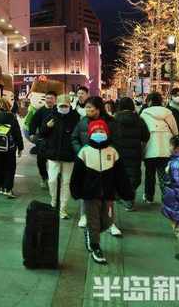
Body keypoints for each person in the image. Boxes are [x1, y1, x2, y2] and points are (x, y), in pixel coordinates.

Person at [70, 119, 133, 265]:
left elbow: (121, 175)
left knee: (107, 221)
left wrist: (126, 192)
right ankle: (95, 246)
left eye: (102, 131)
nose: (99, 133)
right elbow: (77, 175)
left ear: (107, 133)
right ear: (90, 134)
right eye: (96, 131)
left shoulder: (112, 152)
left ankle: (90, 233)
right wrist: (76, 191)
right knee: (93, 221)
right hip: (90, 195)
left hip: (108, 194)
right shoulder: (84, 152)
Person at [71, 96, 120, 234]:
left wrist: (109, 152)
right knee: (86, 189)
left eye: (89, 107)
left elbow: (117, 140)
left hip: (106, 162)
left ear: (98, 109)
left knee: (107, 192)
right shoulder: (82, 122)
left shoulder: (111, 122)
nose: (87, 110)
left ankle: (110, 222)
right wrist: (81, 152)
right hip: (87, 162)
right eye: (86, 107)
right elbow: (74, 138)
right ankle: (84, 215)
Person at [40, 94, 80, 218]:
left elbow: (78, 135)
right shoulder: (51, 116)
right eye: (61, 106)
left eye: (65, 106)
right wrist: (47, 127)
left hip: (69, 156)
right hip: (53, 154)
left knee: (66, 182)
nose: (63, 108)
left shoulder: (75, 117)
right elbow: (42, 132)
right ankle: (53, 202)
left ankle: (63, 208)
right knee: (52, 180)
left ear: (69, 105)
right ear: (57, 105)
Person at [141, 92, 179, 203]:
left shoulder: (144, 113)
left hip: (150, 147)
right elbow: (175, 130)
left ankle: (149, 197)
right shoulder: (168, 112)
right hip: (166, 148)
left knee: (149, 175)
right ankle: (166, 197)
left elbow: (142, 131)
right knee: (164, 175)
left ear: (149, 101)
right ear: (161, 101)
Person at [113, 97, 150, 211]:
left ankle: (119, 195)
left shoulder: (115, 119)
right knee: (133, 175)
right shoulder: (139, 119)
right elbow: (146, 136)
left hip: (118, 152)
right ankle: (129, 200)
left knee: (119, 174)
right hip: (135, 152)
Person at [0, 97, 24, 198]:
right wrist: (20, 147)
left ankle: (1, 187)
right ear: (9, 106)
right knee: (10, 168)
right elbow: (17, 134)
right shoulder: (12, 117)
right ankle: (8, 189)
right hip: (9, 148)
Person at [29, 90, 57, 189]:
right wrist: (32, 133)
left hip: (56, 140)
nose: (49, 100)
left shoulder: (58, 110)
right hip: (43, 139)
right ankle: (44, 177)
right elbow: (33, 123)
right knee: (41, 160)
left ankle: (55, 179)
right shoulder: (40, 111)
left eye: (51, 98)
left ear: (55, 100)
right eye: (47, 98)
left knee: (56, 161)